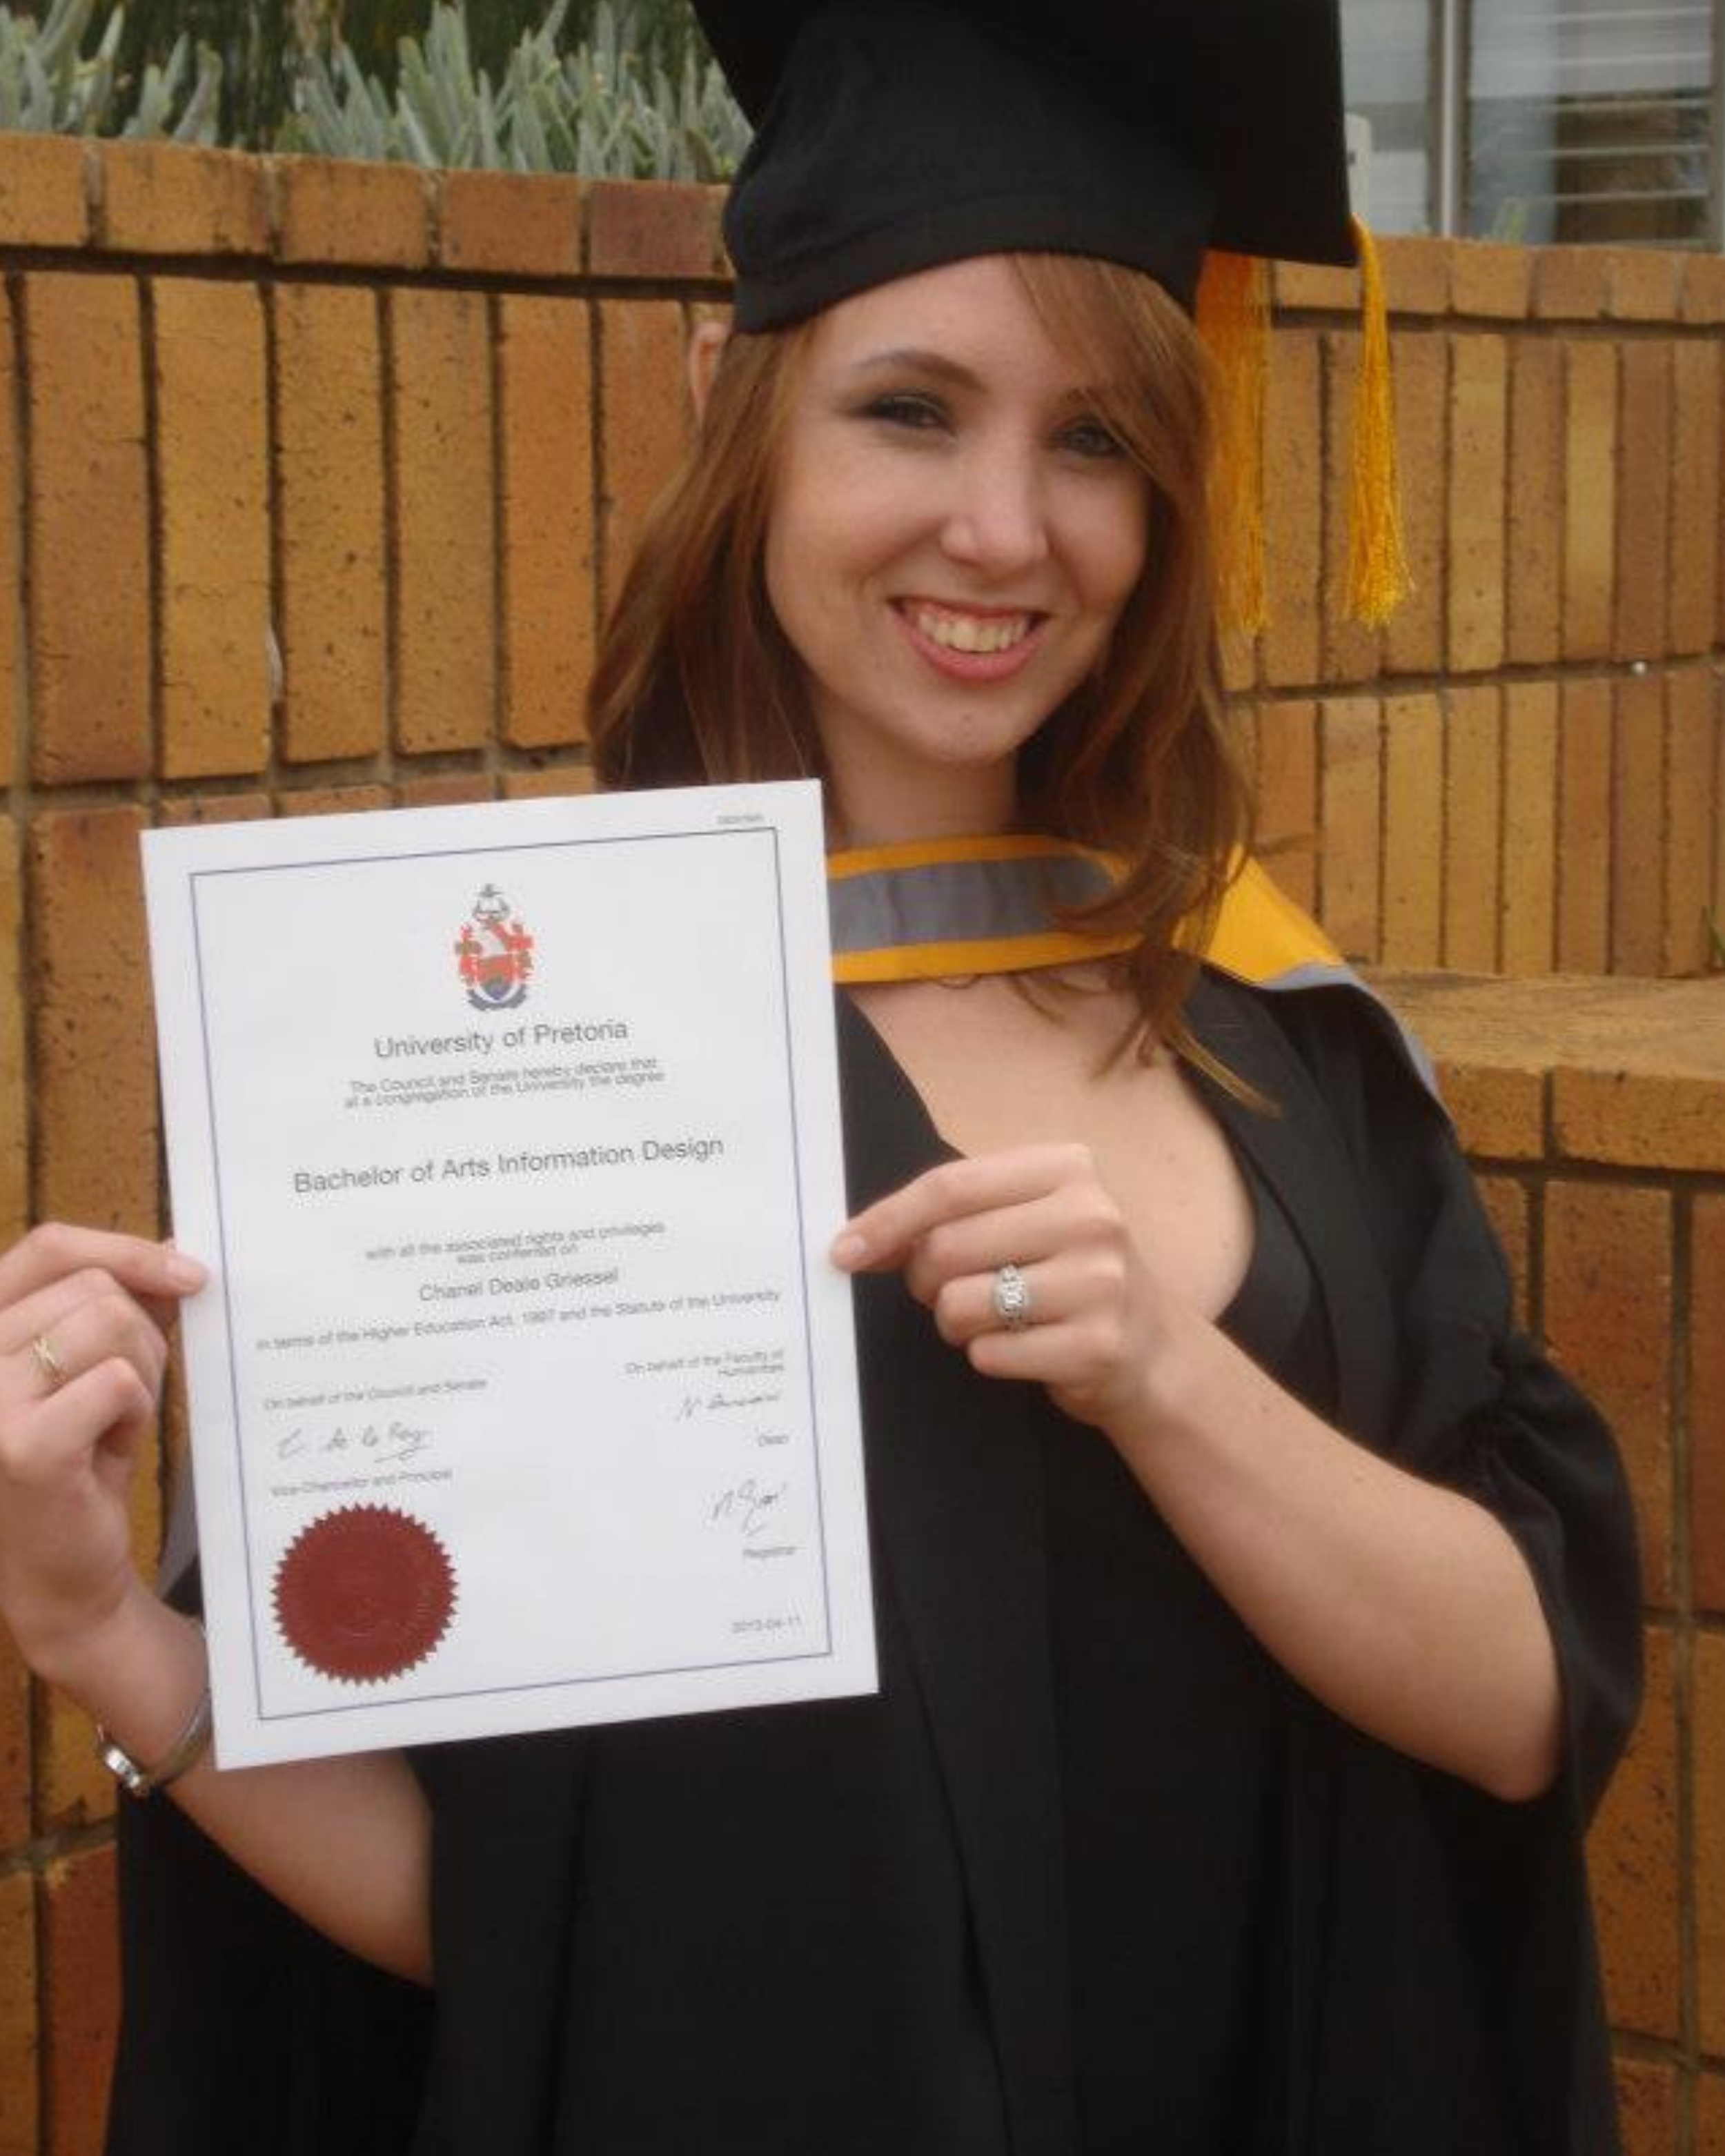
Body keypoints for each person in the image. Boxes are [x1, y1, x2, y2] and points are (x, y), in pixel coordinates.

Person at [0, 3, 1640, 2151]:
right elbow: (513, 1933)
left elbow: (1528, 1705)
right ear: (738, 409)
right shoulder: (514, 1079)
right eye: (908, 407)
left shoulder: (1280, 1033)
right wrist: (94, 1616)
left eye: (1093, 441)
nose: (1001, 528)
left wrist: (1169, 1372)